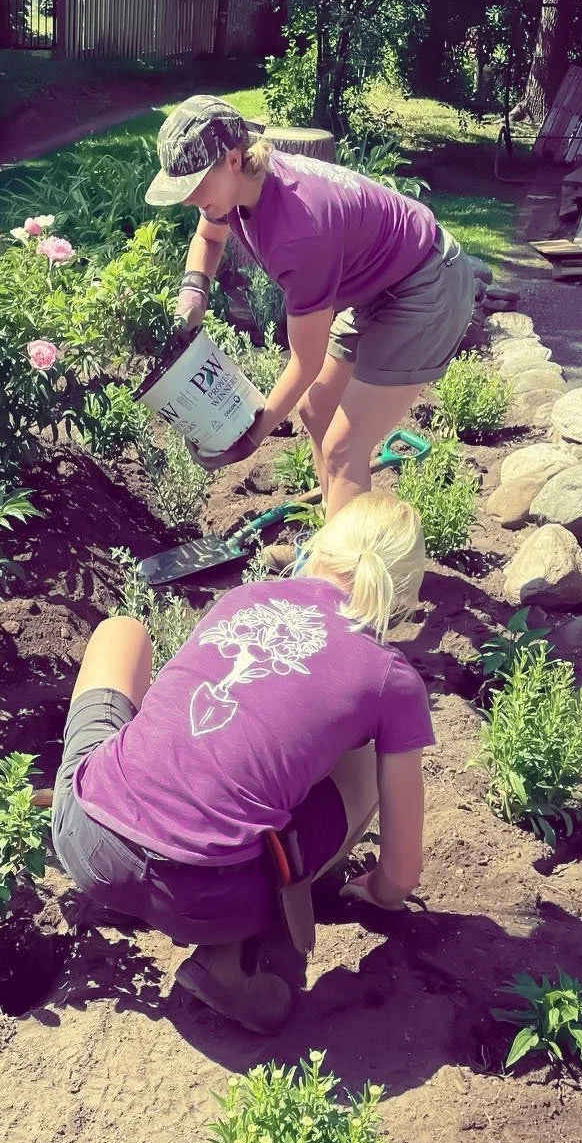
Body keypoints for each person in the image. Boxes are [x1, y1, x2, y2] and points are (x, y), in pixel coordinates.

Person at [51, 491, 434, 1033]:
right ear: (405, 590)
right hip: (212, 899)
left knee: (122, 633)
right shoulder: (390, 679)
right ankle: (237, 957)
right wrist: (378, 891)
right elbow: (401, 875)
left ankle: (117, 878)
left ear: (317, 547)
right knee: (374, 751)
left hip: (88, 839)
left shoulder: (246, 597)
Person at [145, 94, 476, 520]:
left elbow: (306, 361)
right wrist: (194, 292)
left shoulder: (299, 233)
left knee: (343, 449)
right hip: (383, 281)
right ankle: (335, 529)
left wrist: (250, 437)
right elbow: (209, 240)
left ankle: (345, 577)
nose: (189, 200)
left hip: (427, 285)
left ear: (231, 158)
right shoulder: (240, 185)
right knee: (316, 410)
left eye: (194, 186)